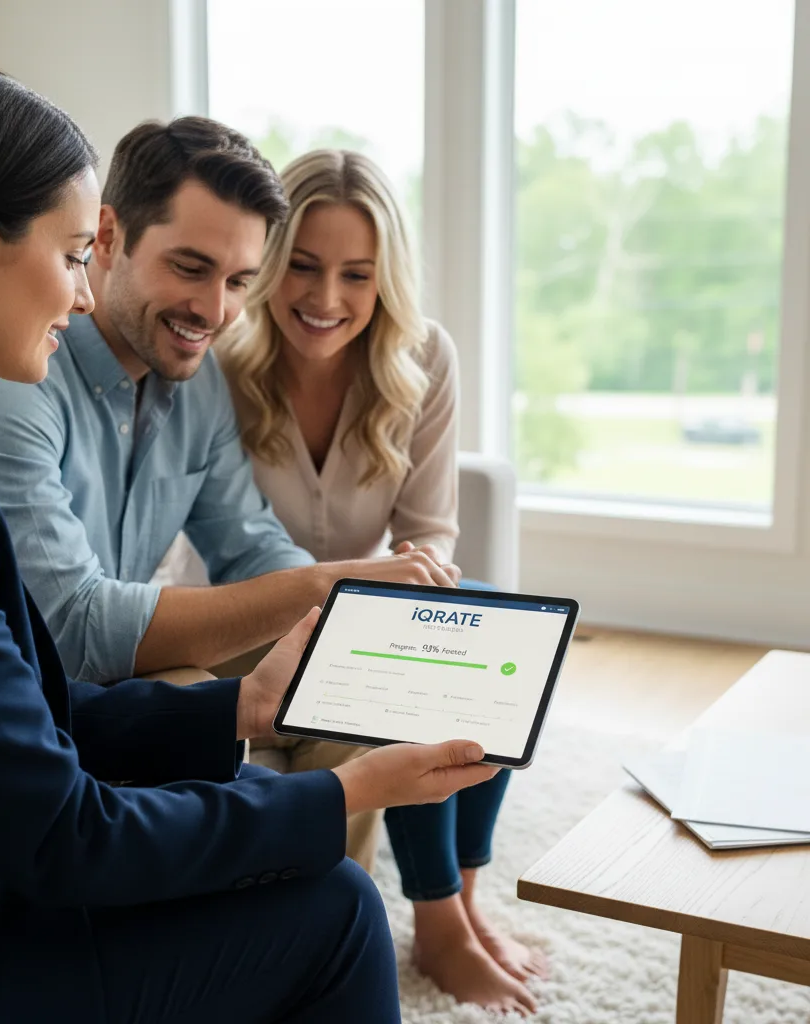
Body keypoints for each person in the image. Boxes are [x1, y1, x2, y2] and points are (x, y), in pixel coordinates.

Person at [0, 67, 501, 1023]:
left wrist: (239, 707)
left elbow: (15, 718)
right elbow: (67, 831)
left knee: (317, 889)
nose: (81, 294)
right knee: (334, 911)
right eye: (75, 253)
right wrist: (340, 796)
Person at [0, 115, 460, 871]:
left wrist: (351, 620)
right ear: (107, 236)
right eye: (190, 267)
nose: (214, 310)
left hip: (123, 669)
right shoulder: (22, 371)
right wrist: (328, 581)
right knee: (208, 716)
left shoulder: (192, 377)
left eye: (237, 282)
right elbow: (68, 628)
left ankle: (316, 917)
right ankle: (275, 925)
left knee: (354, 694)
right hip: (48, 702)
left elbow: (247, 540)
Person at [218, 149, 547, 1016]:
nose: (326, 299)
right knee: (420, 673)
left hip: (367, 608)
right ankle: (437, 921)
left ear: (384, 278)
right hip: (250, 622)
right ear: (269, 261)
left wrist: (411, 594)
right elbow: (221, 545)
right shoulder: (222, 361)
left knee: (489, 639)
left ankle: (463, 898)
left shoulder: (423, 357)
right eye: (303, 265)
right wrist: (342, 601)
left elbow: (432, 527)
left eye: (355, 274)